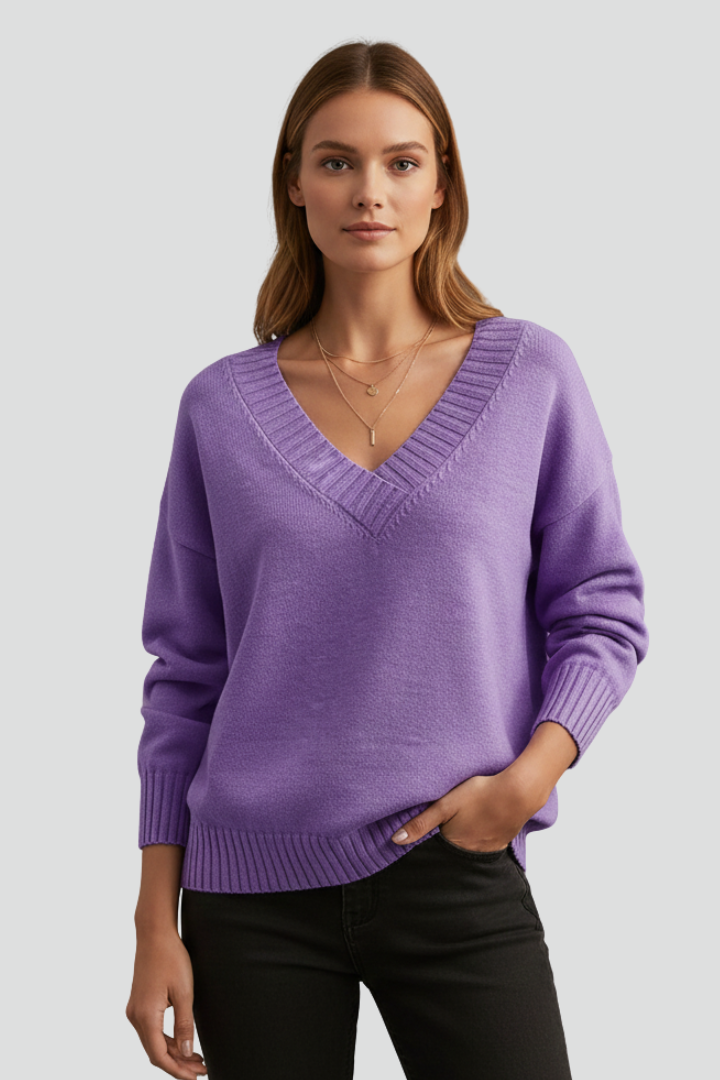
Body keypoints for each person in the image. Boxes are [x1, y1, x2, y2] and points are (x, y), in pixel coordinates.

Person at [126, 39, 649, 1080]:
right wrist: (153, 921)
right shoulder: (219, 407)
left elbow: (602, 608)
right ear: (295, 183)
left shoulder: (529, 374)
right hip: (250, 897)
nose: (370, 191)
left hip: (457, 868)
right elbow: (186, 675)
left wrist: (531, 776)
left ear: (441, 184)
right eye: (337, 161)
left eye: (402, 162)